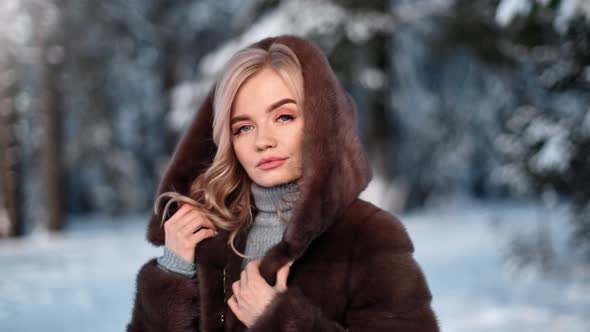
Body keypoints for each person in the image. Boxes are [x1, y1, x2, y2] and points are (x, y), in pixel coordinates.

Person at [126, 34, 440, 332]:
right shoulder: (209, 235)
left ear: (319, 123)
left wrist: (280, 320)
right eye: (244, 127)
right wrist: (174, 270)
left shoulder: (369, 236)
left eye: (284, 117)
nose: (263, 141)